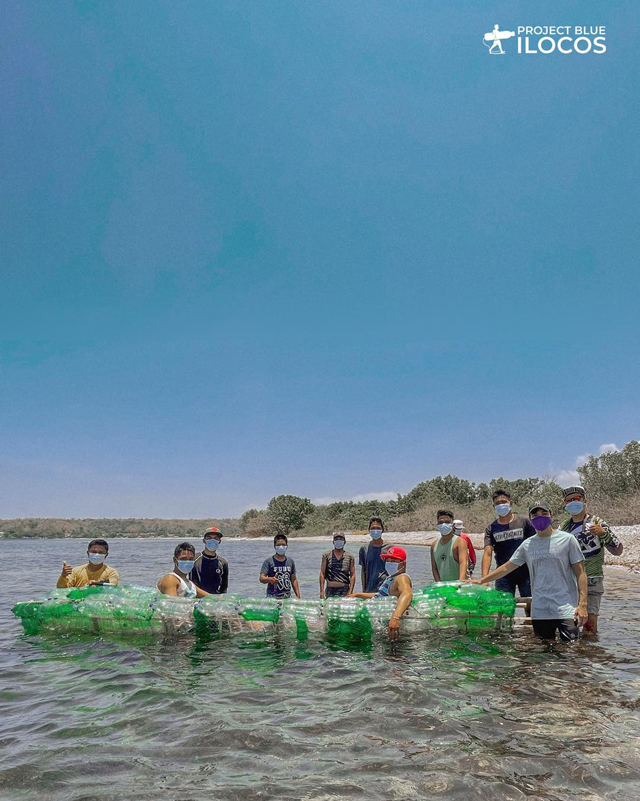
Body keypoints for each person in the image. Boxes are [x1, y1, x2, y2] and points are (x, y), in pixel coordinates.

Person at [472, 503, 588, 642]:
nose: (540, 518)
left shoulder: (567, 540)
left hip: (566, 608)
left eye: (544, 514)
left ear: (551, 515)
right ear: (530, 519)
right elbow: (507, 567)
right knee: (544, 653)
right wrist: (482, 580)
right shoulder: (527, 545)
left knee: (572, 652)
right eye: (535, 515)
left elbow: (581, 573)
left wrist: (582, 605)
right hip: (540, 610)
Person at [559, 484, 623, 634]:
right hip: (571, 581)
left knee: (590, 625)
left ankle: (591, 655)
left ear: (584, 501)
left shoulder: (597, 522)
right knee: (571, 622)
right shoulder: (564, 527)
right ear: (565, 504)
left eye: (576, 499)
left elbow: (618, 550)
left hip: (593, 579)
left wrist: (603, 534)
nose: (573, 502)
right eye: (569, 500)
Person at [482, 489, 535, 605]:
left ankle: (531, 623)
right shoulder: (491, 528)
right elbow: (487, 553)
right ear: (494, 506)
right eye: (497, 503)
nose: (501, 505)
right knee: (503, 607)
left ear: (510, 503)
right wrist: (485, 578)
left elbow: (536, 543)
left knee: (531, 605)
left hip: (527, 572)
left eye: (504, 502)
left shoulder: (525, 522)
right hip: (503, 574)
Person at [349, 546, 413, 640]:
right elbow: (380, 596)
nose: (389, 563)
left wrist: (396, 617)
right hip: (376, 622)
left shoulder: (401, 578)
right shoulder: (391, 578)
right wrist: (358, 595)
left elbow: (407, 594)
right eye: (388, 560)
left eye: (394, 561)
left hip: (387, 627)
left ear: (403, 564)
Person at [431, 510, 468, 581]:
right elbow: (434, 568)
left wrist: (460, 583)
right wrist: (439, 584)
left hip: (458, 586)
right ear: (437, 525)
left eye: (447, 522)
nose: (443, 524)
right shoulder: (434, 545)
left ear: (453, 524)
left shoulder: (459, 542)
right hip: (443, 587)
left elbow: (463, 563)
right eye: (441, 522)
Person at [190, 526, 229, 595]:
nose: (212, 540)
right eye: (209, 538)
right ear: (204, 540)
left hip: (214, 601)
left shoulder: (223, 563)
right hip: (195, 599)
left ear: (219, 541)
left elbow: (224, 587)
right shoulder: (193, 558)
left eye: (215, 538)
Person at [260, 535, 301, 599]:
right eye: (278, 545)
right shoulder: (268, 561)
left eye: (283, 545)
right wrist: (270, 579)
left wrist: (298, 596)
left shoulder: (290, 561)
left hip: (287, 597)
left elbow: (294, 580)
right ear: (274, 546)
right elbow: (261, 578)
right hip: (272, 597)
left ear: (287, 546)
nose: (281, 547)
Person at [358, 517, 390, 593]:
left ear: (383, 530)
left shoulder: (390, 548)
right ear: (369, 530)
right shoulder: (364, 549)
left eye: (378, 528)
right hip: (370, 590)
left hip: (386, 590)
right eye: (373, 528)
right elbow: (363, 570)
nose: (375, 531)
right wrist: (364, 589)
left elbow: (395, 570)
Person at [319, 533, 356, 598]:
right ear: (333, 542)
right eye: (336, 539)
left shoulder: (350, 557)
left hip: (344, 590)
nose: (338, 540)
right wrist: (321, 591)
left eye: (341, 539)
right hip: (330, 590)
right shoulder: (326, 555)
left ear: (344, 542)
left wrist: (350, 591)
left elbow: (352, 575)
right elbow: (322, 573)